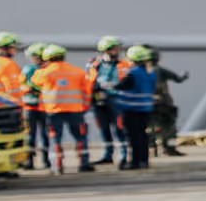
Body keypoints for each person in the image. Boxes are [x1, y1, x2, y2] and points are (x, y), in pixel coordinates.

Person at [31, 45, 95, 174]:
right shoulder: (78, 71)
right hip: (75, 110)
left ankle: (57, 166)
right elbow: (87, 91)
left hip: (53, 111)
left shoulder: (43, 73)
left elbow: (33, 85)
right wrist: (86, 106)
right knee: (80, 137)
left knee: (55, 139)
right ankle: (84, 164)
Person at [117, 46, 159, 169]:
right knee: (142, 135)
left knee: (133, 137)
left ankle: (135, 162)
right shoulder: (151, 72)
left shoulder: (133, 73)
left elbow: (120, 86)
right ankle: (144, 161)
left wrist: (108, 87)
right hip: (146, 108)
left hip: (132, 109)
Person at [88, 37, 127, 165]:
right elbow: (88, 80)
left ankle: (123, 155)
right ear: (106, 50)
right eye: (115, 48)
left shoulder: (124, 64)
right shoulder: (95, 65)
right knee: (104, 128)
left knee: (120, 128)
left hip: (117, 99)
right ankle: (108, 154)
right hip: (98, 100)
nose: (118, 51)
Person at [147, 49, 188, 156]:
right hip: (163, 104)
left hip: (153, 105)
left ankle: (154, 149)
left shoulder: (139, 72)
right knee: (169, 128)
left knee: (152, 128)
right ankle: (168, 148)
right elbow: (178, 78)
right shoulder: (159, 70)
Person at [21, 43, 50, 169]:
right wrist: (29, 89)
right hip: (30, 106)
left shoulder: (48, 70)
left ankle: (46, 159)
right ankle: (29, 161)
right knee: (29, 136)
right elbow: (20, 85)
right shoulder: (28, 69)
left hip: (45, 107)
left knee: (46, 134)